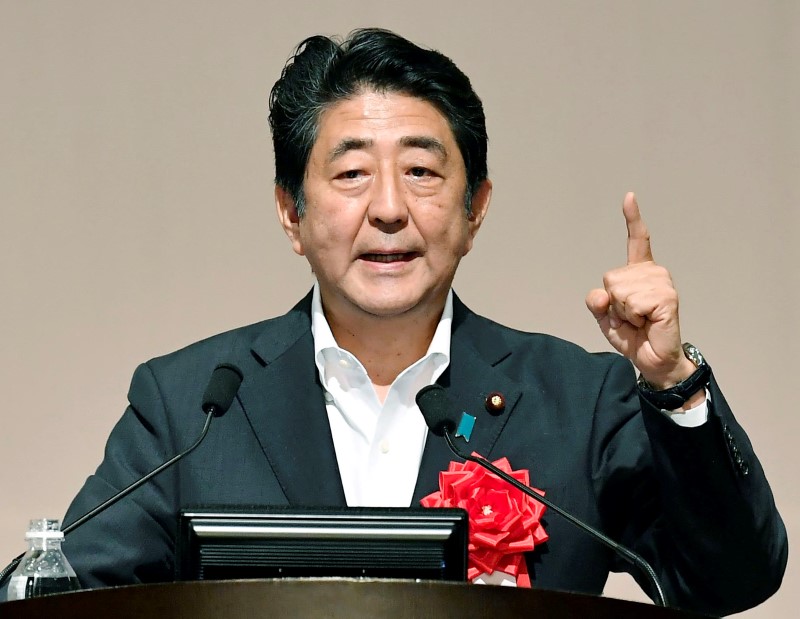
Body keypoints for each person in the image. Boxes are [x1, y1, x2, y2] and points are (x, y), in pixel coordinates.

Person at [0, 28, 786, 614]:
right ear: (291, 211)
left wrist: (673, 382)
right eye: (349, 174)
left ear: (476, 208)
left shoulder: (580, 400)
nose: (387, 209)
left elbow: (731, 579)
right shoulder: (194, 404)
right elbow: (63, 594)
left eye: (421, 171)